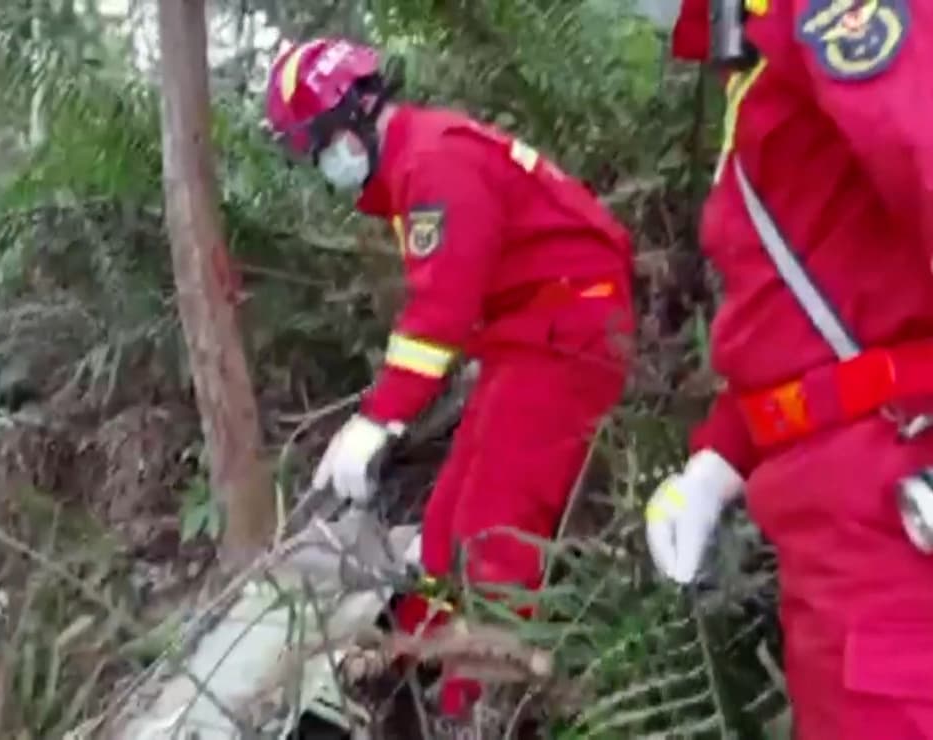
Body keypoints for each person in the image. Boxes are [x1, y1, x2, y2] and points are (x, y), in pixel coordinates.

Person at [263, 37, 635, 719]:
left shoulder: (434, 164)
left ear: (352, 118)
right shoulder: (419, 163)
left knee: (496, 532)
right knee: (445, 522)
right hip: (529, 339)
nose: (322, 166)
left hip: (566, 337)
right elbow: (450, 311)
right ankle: (410, 663)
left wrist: (378, 420)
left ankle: (479, 710)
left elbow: (443, 310)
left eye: (318, 146)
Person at [642, 0, 933, 737]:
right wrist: (717, 464)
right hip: (837, 515)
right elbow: (817, 307)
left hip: (891, 504)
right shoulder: (764, 49)